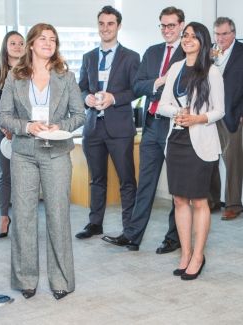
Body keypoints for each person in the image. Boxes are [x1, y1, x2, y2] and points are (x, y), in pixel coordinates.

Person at [0, 23, 85, 300]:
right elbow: (3, 116)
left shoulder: (66, 76)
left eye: (53, 39)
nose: (49, 43)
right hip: (24, 152)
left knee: (58, 217)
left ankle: (61, 280)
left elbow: (80, 115)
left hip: (57, 152)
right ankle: (26, 279)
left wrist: (58, 125)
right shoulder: (15, 75)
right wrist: (27, 126)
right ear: (32, 44)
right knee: (23, 217)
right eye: (43, 38)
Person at [102, 7, 185, 252]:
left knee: (177, 187)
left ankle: (174, 237)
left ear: (181, 25)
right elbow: (137, 87)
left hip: (176, 127)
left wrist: (156, 86)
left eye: (171, 25)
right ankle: (132, 235)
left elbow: (184, 88)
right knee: (145, 183)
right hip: (151, 125)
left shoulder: (189, 51)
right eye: (163, 25)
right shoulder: (152, 52)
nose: (167, 30)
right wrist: (159, 82)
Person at [157, 22, 224, 280]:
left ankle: (198, 255)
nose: (187, 40)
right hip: (176, 140)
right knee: (179, 200)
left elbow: (219, 110)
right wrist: (178, 112)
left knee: (198, 200)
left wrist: (196, 118)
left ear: (203, 41)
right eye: (185, 36)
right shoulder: (175, 68)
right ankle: (185, 253)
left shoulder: (212, 72)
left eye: (193, 37)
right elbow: (163, 104)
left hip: (201, 142)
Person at [76, 5, 139, 240]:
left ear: (118, 26)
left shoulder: (131, 57)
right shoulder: (88, 57)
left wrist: (113, 98)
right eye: (102, 23)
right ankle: (95, 224)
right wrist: (87, 98)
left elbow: (136, 90)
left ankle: (130, 229)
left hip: (120, 128)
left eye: (110, 23)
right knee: (97, 179)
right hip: (93, 128)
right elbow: (81, 87)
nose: (106, 28)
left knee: (126, 181)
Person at [0, 31, 24, 238]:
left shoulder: (30, 71)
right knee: (4, 175)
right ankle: (3, 217)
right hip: (1, 131)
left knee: (23, 175)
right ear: (5, 46)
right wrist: (3, 124)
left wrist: (17, 125)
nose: (17, 46)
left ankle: (22, 217)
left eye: (21, 43)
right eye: (13, 43)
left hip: (23, 130)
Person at [209, 17, 243, 220]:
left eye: (224, 34)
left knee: (233, 161)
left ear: (233, 33)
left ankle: (233, 204)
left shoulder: (241, 53)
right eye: (217, 34)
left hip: (232, 113)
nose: (220, 38)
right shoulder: (210, 53)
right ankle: (211, 200)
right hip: (210, 114)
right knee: (210, 158)